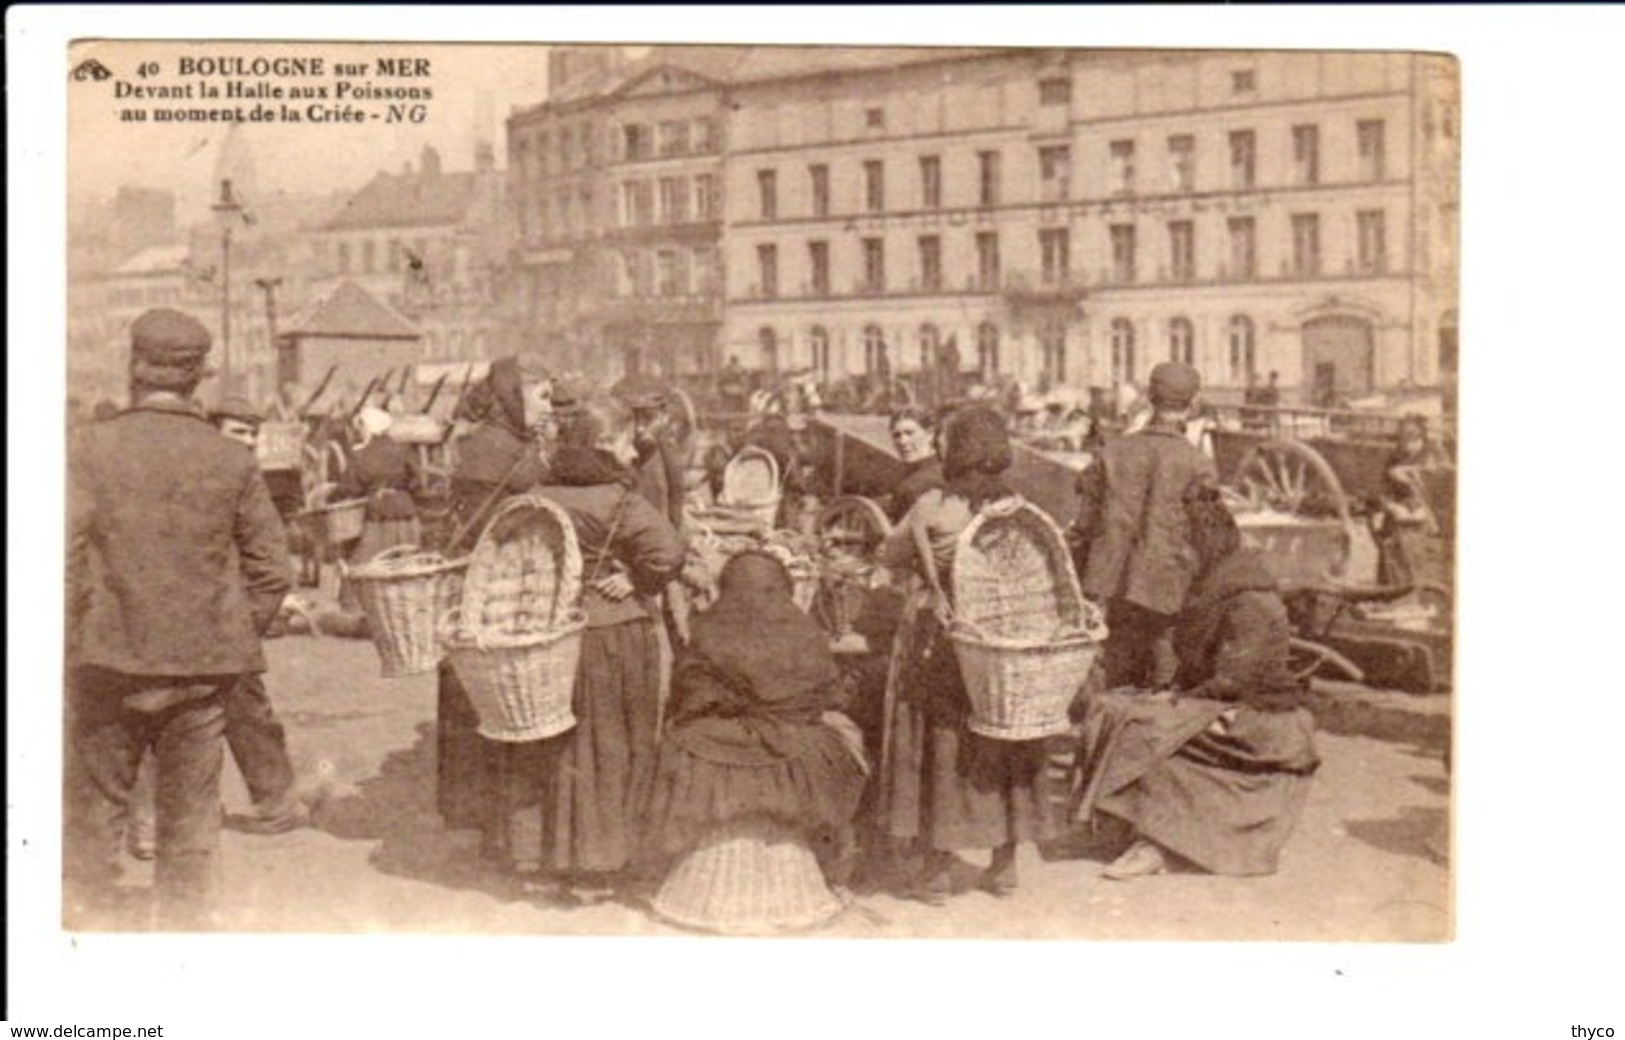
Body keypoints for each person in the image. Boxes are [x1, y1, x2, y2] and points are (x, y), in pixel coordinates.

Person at [66, 308, 292, 930]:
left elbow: (60, 560)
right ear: (198, 377)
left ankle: (82, 952)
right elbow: (273, 571)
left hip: (106, 663)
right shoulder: (232, 459)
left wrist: (72, 644)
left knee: (92, 820)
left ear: (135, 366)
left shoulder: (88, 449)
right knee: (191, 826)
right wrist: (228, 633)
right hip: (202, 672)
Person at [1069, 482, 1320, 879]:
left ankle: (1156, 843)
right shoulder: (1214, 585)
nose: (1176, 558)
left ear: (1204, 546)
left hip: (1257, 715)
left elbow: (1233, 677)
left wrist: (1174, 700)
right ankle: (1126, 823)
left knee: (1144, 726)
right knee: (1111, 705)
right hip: (1223, 698)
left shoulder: (1247, 597)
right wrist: (1170, 691)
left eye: (1182, 549)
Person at [502, 395, 684, 903]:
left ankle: (536, 859)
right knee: (606, 748)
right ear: (604, 444)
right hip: (609, 635)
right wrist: (636, 578)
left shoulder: (537, 492)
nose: (632, 452)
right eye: (626, 442)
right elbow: (669, 551)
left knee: (546, 743)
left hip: (545, 633)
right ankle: (596, 867)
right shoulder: (617, 500)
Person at [877, 405, 1057, 903]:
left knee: (941, 747)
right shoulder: (1020, 508)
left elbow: (887, 554)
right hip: (1003, 651)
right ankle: (1003, 866)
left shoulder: (933, 506)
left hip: (947, 643)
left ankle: (936, 872)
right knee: (1004, 746)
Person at [643, 551, 867, 884]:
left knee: (679, 739)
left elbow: (690, 695)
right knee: (841, 744)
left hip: (713, 752)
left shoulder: (707, 627)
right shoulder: (803, 630)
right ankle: (822, 871)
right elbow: (827, 695)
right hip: (794, 751)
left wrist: (734, 704)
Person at [433, 356, 552, 851]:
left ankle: (477, 819)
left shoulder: (487, 444)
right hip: (497, 590)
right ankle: (500, 826)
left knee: (474, 703)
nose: (547, 407)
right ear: (511, 399)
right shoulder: (503, 453)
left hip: (478, 586)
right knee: (500, 702)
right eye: (540, 397)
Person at [1071, 361, 1218, 689]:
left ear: (1150, 396)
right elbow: (1208, 535)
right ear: (1192, 404)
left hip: (1113, 581)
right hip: (1165, 582)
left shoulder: (1113, 450)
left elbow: (1084, 519)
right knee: (1163, 655)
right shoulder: (1197, 463)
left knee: (1116, 659)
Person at [885, 406, 944, 524]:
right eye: (897, 435)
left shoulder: (911, 487)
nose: (902, 441)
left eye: (909, 433)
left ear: (930, 434)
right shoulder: (946, 470)